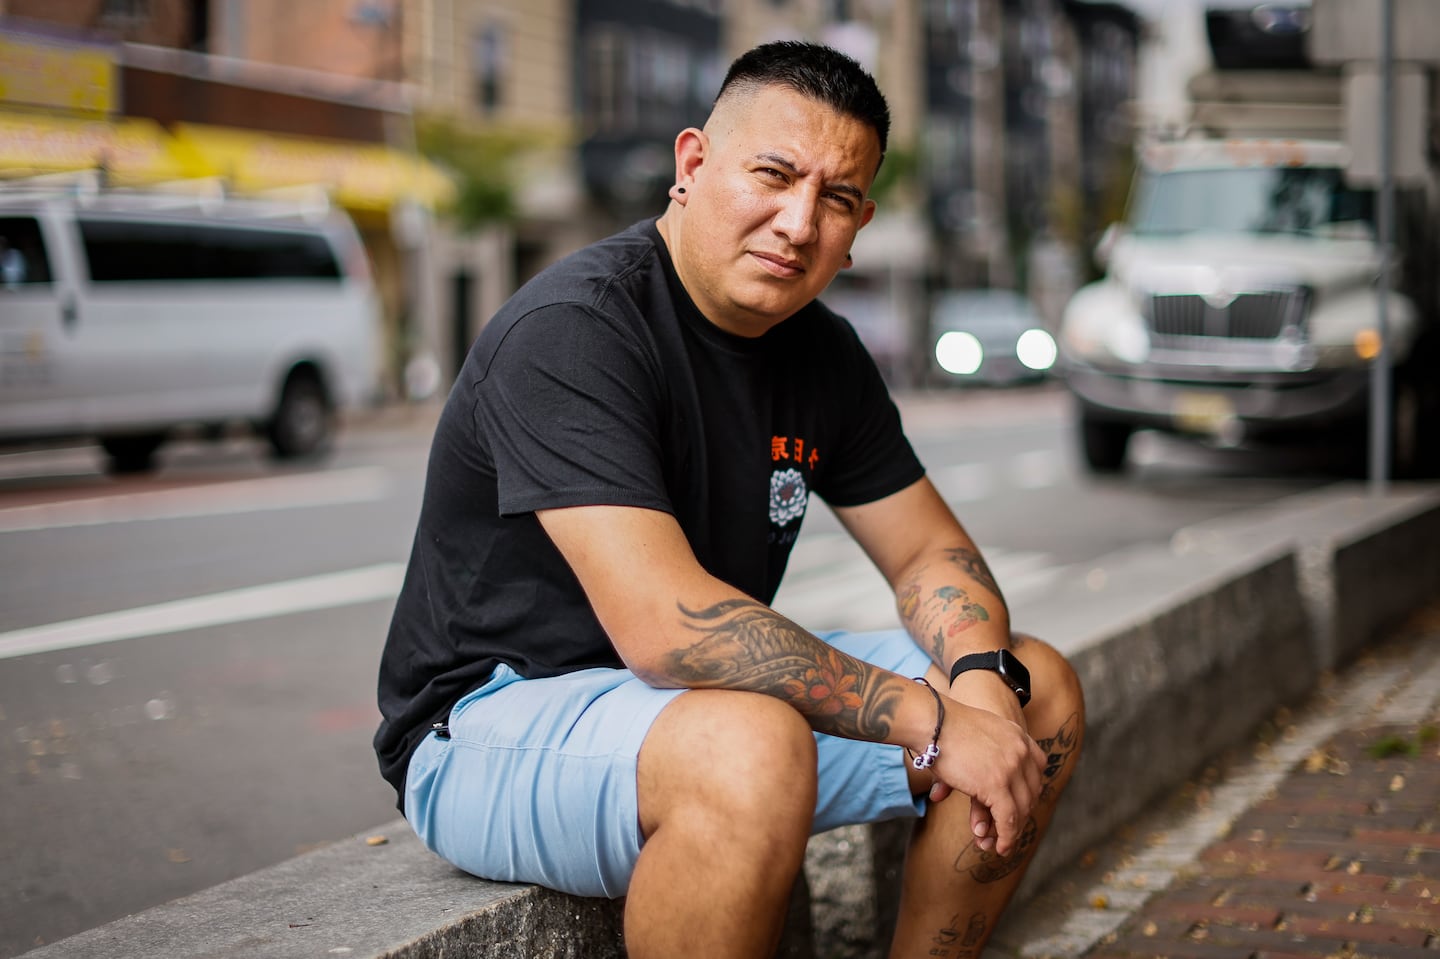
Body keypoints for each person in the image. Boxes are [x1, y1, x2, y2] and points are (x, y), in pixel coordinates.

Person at [374, 40, 1084, 958]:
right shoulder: (574, 329)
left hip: (697, 709)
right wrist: (933, 722)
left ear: (861, 220)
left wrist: (984, 686)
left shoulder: (820, 352)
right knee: (751, 745)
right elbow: (667, 628)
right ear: (694, 164)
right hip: (488, 722)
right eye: (774, 174)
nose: (797, 222)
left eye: (834, 198)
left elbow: (927, 554)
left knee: (1038, 688)